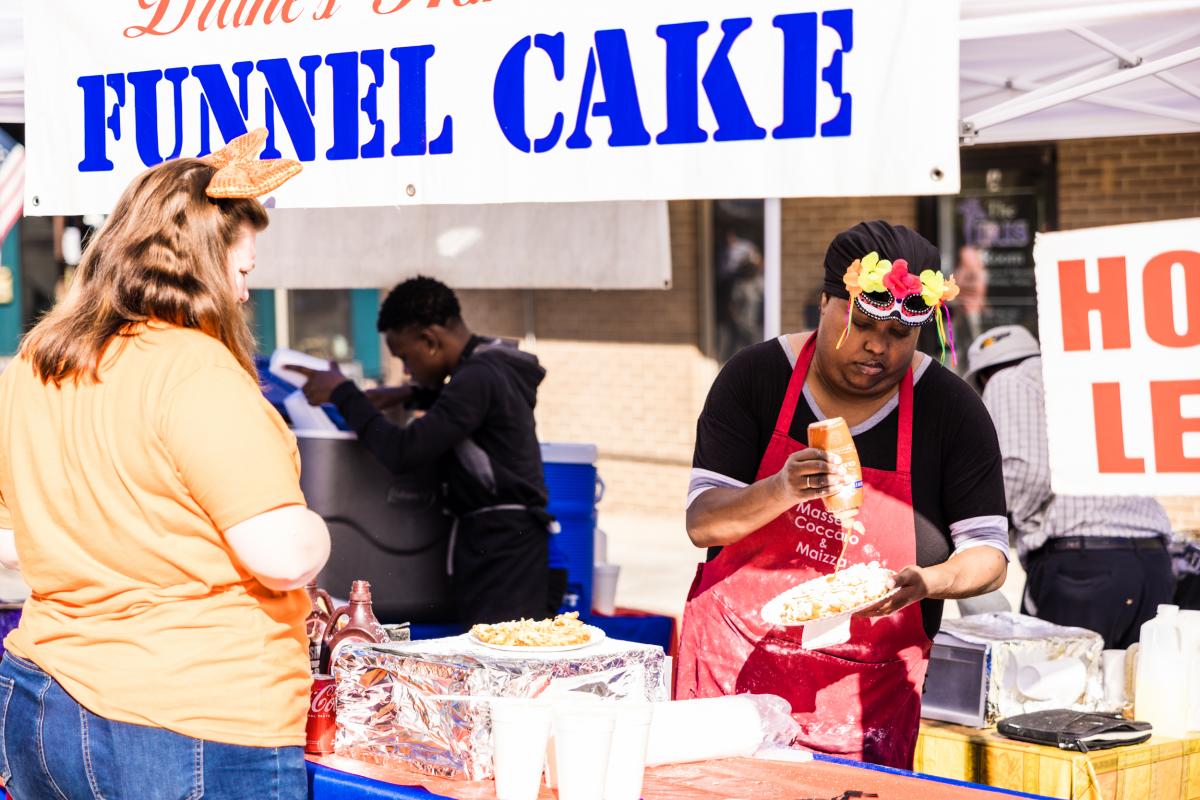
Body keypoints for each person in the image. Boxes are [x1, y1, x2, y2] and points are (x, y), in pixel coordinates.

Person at [0, 130, 331, 799]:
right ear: (204, 268)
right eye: (242, 274)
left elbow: (15, 540)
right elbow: (283, 555)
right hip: (193, 716)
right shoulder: (196, 370)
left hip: (44, 697)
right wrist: (321, 530)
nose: (243, 295)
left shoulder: (34, 364)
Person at [677, 221, 1009, 770]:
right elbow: (702, 524)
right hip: (731, 673)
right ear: (825, 302)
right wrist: (780, 489)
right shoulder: (755, 378)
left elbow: (989, 556)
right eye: (861, 324)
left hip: (861, 699)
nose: (877, 346)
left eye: (900, 335)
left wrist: (931, 581)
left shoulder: (951, 410)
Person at [293, 277, 556, 626]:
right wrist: (410, 395)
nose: (405, 370)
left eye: (405, 356)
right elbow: (467, 411)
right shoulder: (489, 367)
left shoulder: (477, 378)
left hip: (504, 552)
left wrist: (344, 393)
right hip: (506, 544)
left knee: (500, 664)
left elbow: (403, 451)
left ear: (431, 340)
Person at [966, 325, 1176, 649]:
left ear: (983, 379)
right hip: (1152, 562)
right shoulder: (1081, 377)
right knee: (1129, 691)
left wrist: (972, 518)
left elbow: (1025, 472)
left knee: (1056, 693)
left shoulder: (1007, 380)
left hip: (1083, 567)